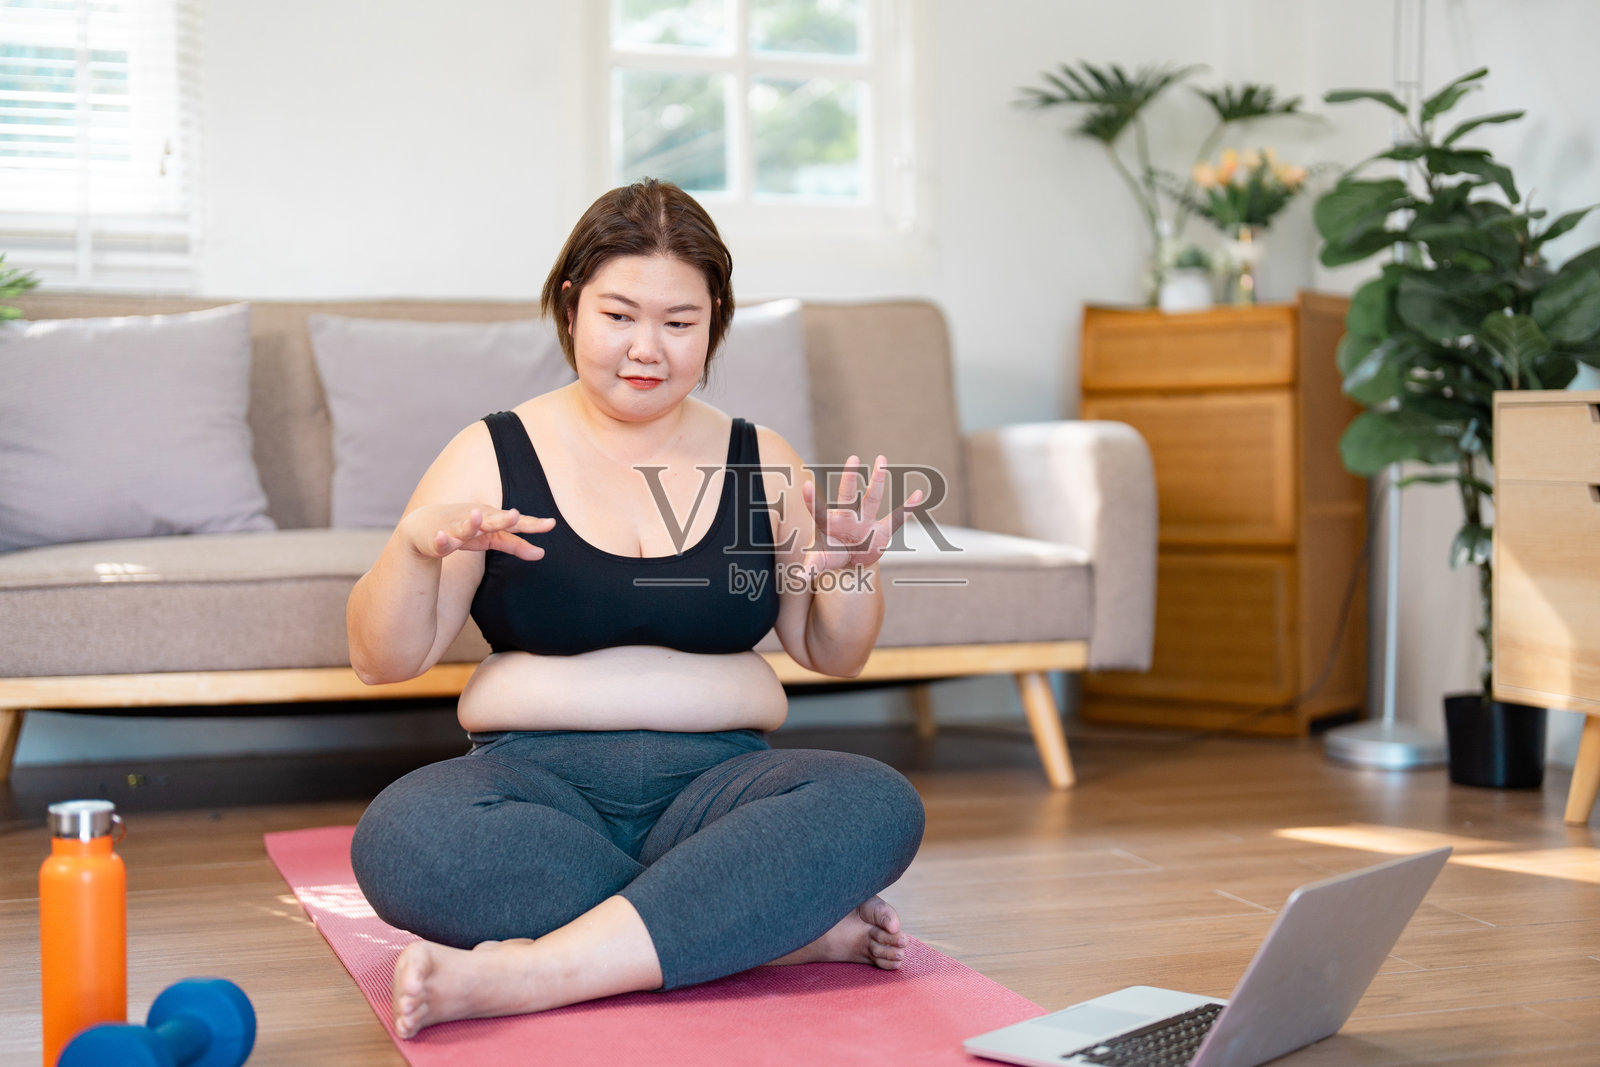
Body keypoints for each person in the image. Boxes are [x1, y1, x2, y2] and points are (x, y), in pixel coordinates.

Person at [346, 178, 929, 1039]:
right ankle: (753, 924)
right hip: (533, 784)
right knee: (405, 838)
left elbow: (830, 651)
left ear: (715, 318)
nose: (644, 348)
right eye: (619, 316)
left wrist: (846, 569)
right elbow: (382, 659)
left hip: (723, 786)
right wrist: (413, 546)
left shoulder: (757, 458)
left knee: (877, 802)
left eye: (678, 322)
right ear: (573, 305)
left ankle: (539, 971)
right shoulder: (490, 451)